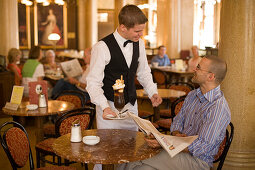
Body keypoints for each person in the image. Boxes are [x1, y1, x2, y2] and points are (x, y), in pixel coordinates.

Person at [86, 5, 162, 170]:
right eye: (137, 31)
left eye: (142, 30)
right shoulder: (102, 47)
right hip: (109, 107)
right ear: (122, 27)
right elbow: (92, 83)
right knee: (106, 152)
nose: (141, 34)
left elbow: (143, 72)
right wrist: (105, 107)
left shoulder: (139, 43)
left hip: (131, 106)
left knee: (130, 149)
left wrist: (152, 92)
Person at [125, 55, 231, 170]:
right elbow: (177, 121)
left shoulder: (218, 108)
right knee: (140, 167)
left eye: (199, 67)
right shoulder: (192, 95)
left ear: (211, 76)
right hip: (178, 151)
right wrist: (176, 134)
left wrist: (170, 143)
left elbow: (202, 147)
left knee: (136, 157)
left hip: (198, 161)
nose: (194, 69)